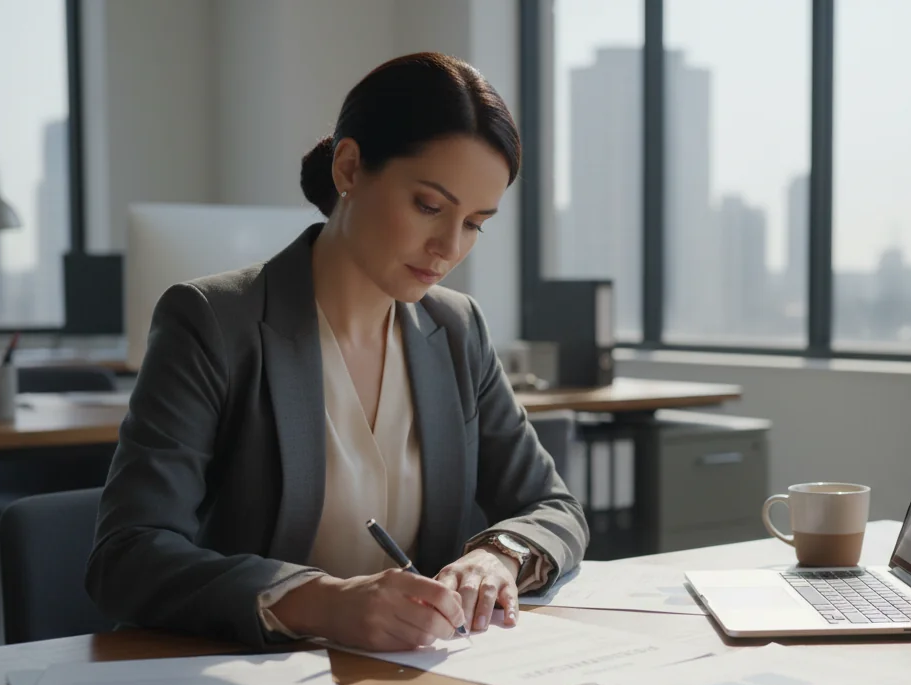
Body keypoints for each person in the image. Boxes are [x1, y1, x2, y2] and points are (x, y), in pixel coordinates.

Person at [86, 52, 588, 652]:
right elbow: (128, 554)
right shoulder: (213, 322)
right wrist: (322, 602)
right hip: (251, 676)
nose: (449, 247)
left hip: (415, 676)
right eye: (429, 207)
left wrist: (499, 554)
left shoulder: (457, 328)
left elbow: (553, 507)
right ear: (349, 167)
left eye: (475, 223)